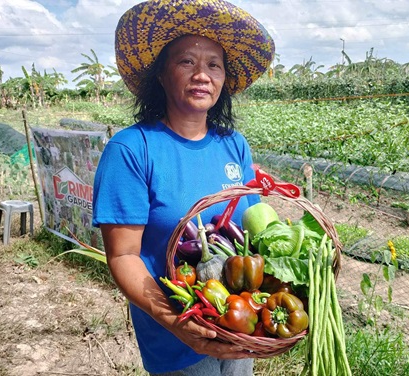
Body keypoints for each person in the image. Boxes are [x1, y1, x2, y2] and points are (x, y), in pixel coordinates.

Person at [92, 0, 274, 375]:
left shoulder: (233, 144)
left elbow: (250, 234)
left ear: (224, 80)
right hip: (176, 339)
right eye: (186, 62)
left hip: (238, 323)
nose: (202, 75)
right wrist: (177, 322)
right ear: (161, 75)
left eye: (213, 65)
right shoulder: (132, 149)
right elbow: (123, 256)